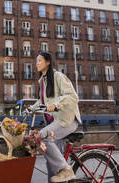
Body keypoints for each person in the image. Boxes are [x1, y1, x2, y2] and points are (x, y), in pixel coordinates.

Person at [28, 51, 81, 183]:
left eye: (40, 60)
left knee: (41, 137)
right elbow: (42, 102)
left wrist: (57, 104)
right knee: (50, 162)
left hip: (67, 120)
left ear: (48, 62)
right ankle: (59, 175)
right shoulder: (43, 81)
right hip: (56, 122)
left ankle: (66, 170)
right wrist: (31, 109)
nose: (37, 63)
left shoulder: (58, 77)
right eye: (36, 61)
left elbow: (72, 96)